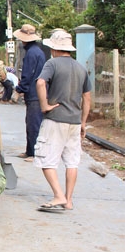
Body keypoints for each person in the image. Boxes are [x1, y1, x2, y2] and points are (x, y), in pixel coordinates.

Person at [34, 30, 91, 212]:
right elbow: (87, 98)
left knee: (46, 160)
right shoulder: (80, 67)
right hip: (74, 121)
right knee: (72, 162)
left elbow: (41, 82)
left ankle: (58, 195)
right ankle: (68, 200)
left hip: (55, 119)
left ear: (54, 48)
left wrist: (44, 105)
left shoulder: (52, 63)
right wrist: (83, 122)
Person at [14, 24, 46, 161]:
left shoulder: (32, 54)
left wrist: (19, 90)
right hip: (35, 93)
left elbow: (27, 75)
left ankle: (34, 153)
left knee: (34, 124)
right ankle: (29, 150)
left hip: (35, 93)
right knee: (31, 122)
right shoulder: (36, 52)